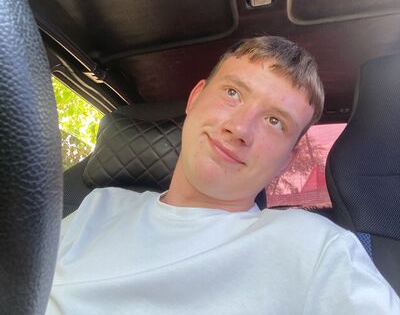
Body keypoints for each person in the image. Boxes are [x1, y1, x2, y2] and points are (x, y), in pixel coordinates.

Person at [46, 36, 400, 314]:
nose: (240, 128)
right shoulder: (96, 208)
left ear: (287, 160)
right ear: (195, 98)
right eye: (233, 93)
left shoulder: (316, 249)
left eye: (275, 121)